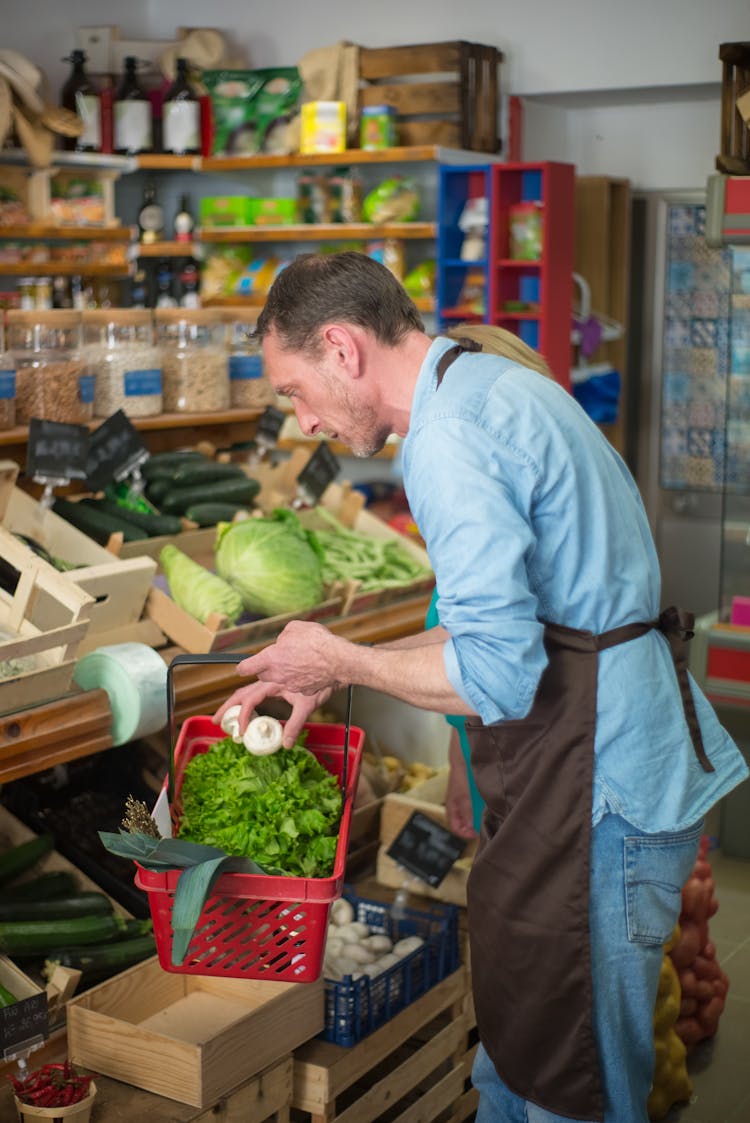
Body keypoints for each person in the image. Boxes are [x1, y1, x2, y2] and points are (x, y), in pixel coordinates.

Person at [215, 251, 748, 1123]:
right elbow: (499, 625)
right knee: (526, 1065)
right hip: (598, 778)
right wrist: (331, 655)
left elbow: (497, 675)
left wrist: (343, 663)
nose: (302, 420)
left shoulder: (450, 439)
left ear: (343, 349)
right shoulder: (484, 386)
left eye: (294, 390)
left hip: (599, 797)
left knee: (576, 1089)